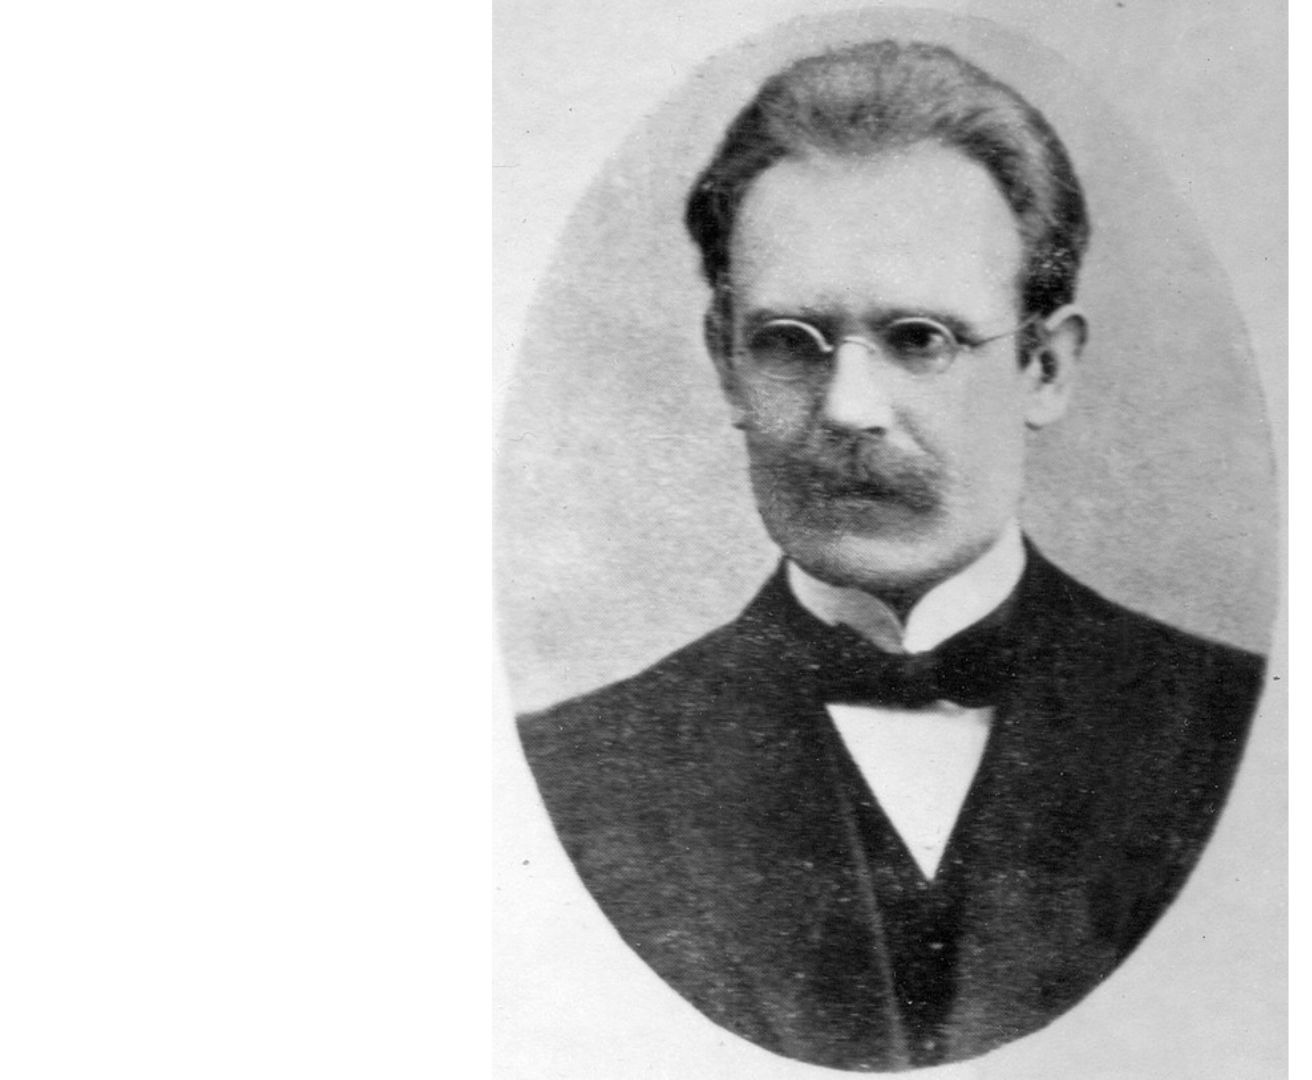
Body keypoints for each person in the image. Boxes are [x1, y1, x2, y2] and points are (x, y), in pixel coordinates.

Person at [517, 39, 1266, 1071]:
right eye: (788, 341)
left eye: (919, 339)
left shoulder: (1236, 731)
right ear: (726, 364)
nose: (849, 408)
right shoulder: (574, 773)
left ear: (1045, 367)